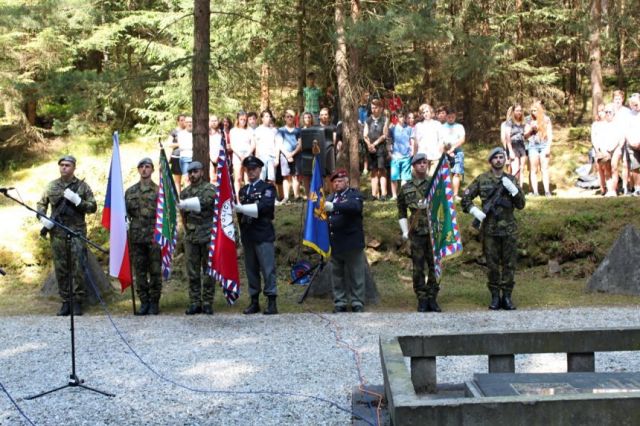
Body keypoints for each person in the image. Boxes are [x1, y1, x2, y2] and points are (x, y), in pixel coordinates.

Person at [461, 147, 525, 310]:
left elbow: (521, 204)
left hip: (509, 230)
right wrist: (474, 211)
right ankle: (495, 296)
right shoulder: (482, 179)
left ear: (505, 160)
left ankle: (507, 297)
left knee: (509, 265)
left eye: (501, 157)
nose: (498, 160)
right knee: (492, 265)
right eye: (495, 157)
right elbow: (465, 198)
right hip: (490, 231)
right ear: (490, 161)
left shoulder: (511, 179)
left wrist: (514, 190)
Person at [37, 155, 97, 316]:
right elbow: (41, 204)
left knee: (78, 267)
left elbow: (93, 207)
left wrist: (78, 201)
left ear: (74, 167)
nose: (64, 167)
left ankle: (77, 302)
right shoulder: (51, 186)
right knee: (61, 269)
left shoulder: (82, 187)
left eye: (67, 165)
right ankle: (66, 301)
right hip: (57, 234)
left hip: (76, 232)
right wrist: (43, 218)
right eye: (62, 165)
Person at [397, 153, 441, 313]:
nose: (422, 165)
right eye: (419, 163)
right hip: (416, 233)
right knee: (418, 267)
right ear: (414, 166)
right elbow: (401, 211)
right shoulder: (406, 188)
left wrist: (431, 205)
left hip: (434, 232)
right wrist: (404, 231)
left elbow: (444, 207)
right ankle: (422, 298)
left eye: (424, 162)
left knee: (435, 266)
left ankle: (432, 297)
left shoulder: (435, 184)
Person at [234, 156, 278, 315]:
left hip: (263, 233)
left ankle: (271, 301)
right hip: (248, 234)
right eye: (248, 169)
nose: (251, 172)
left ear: (260, 170)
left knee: (267, 269)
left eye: (254, 169)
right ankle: (254, 301)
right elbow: (240, 216)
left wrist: (242, 209)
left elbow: (265, 207)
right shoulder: (243, 190)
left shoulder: (268, 188)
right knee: (251, 270)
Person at [323, 169, 366, 313]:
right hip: (335, 242)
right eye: (335, 182)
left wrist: (335, 207)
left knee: (356, 274)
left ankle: (357, 302)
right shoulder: (330, 198)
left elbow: (355, 207)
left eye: (340, 181)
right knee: (337, 275)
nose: (337, 184)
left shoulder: (354, 194)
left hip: (351, 242)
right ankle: (340, 302)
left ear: (347, 181)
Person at [178, 161, 217, 315]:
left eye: (195, 171)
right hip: (191, 236)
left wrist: (185, 204)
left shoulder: (210, 189)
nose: (192, 175)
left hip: (207, 234)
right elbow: (183, 215)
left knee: (208, 271)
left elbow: (205, 203)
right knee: (192, 271)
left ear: (202, 172)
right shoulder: (184, 193)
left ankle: (207, 302)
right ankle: (195, 302)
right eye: (190, 172)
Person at [125, 158, 162, 315]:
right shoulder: (130, 192)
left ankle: (154, 302)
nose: (144, 169)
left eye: (147, 167)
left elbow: (164, 216)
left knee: (155, 271)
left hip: (154, 237)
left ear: (152, 170)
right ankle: (144, 302)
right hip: (136, 237)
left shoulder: (159, 191)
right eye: (141, 167)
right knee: (139, 271)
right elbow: (125, 213)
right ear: (138, 170)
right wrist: (125, 221)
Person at [524, 100, 553, 196]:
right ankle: (535, 192)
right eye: (532, 111)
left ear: (539, 110)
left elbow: (550, 134)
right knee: (533, 170)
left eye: (535, 110)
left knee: (544, 169)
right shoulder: (528, 120)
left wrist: (548, 147)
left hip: (544, 145)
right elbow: (525, 136)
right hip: (533, 146)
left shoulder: (546, 119)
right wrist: (531, 129)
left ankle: (547, 191)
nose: (533, 112)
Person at [363, 99, 390, 200]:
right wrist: (369, 145)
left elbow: (384, 135)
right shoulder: (368, 120)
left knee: (382, 170)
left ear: (380, 108)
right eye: (372, 108)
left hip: (381, 148)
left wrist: (374, 144)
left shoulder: (385, 119)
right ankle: (374, 194)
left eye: (375, 107)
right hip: (371, 149)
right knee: (373, 171)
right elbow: (365, 135)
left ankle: (384, 194)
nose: (373, 109)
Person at [277, 109, 302, 202]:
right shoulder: (280, 130)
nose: (289, 118)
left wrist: (292, 153)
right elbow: (279, 144)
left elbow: (300, 144)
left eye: (291, 116)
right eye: (287, 116)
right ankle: (286, 197)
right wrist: (287, 155)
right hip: (284, 156)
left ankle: (296, 196)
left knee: (296, 176)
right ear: (285, 118)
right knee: (286, 176)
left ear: (294, 118)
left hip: (296, 155)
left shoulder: (298, 130)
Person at [411, 104, 443, 175]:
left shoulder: (437, 124)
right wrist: (415, 155)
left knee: (432, 177)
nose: (425, 113)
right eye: (423, 112)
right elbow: (416, 142)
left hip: (435, 156)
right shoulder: (418, 126)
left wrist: (440, 153)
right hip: (422, 156)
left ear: (431, 112)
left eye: (427, 111)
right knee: (423, 177)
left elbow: (441, 140)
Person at [229, 111, 255, 200]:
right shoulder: (233, 131)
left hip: (248, 155)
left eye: (244, 119)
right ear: (237, 119)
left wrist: (247, 155)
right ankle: (238, 198)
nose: (243, 121)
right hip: (237, 156)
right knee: (238, 178)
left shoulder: (250, 130)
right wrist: (240, 155)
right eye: (241, 119)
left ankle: (248, 197)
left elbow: (253, 144)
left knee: (248, 177)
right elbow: (232, 145)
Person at [441, 108, 466, 200]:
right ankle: (445, 193)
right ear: (446, 117)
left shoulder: (459, 126)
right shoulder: (442, 127)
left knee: (456, 173)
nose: (451, 118)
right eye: (449, 117)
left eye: (452, 117)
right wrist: (447, 151)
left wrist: (453, 148)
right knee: (444, 173)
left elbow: (462, 139)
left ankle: (455, 194)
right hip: (444, 152)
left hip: (457, 152)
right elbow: (440, 140)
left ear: (455, 117)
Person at [389, 111, 412, 200]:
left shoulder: (409, 128)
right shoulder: (392, 129)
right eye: (400, 117)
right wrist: (389, 153)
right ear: (397, 118)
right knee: (394, 177)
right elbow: (389, 141)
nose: (402, 119)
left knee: (405, 177)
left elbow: (412, 141)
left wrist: (412, 152)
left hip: (406, 156)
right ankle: (394, 195)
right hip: (395, 156)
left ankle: (403, 194)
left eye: (403, 117)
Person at [503, 104, 527, 189]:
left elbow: (525, 135)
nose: (519, 112)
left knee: (522, 168)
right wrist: (510, 151)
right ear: (513, 111)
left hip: (522, 145)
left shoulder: (523, 122)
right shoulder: (510, 122)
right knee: (515, 168)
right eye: (517, 110)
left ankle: (520, 189)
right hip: (513, 145)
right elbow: (507, 137)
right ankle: (513, 189)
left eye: (520, 110)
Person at [253, 110, 279, 184]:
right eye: (266, 116)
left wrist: (277, 159)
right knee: (261, 179)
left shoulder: (274, 130)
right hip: (261, 157)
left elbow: (277, 145)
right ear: (262, 118)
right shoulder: (258, 130)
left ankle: (271, 192)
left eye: (270, 116)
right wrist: (256, 159)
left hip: (272, 157)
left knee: (272, 180)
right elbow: (257, 145)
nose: (268, 118)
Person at [167, 114, 186, 190]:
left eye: (184, 120)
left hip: (187, 157)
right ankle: (178, 196)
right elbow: (169, 144)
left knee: (187, 179)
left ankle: (187, 196)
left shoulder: (189, 130)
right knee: (177, 181)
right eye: (181, 120)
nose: (183, 122)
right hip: (176, 157)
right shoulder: (174, 131)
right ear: (178, 121)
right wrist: (180, 144)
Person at [208, 115, 222, 182]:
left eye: (215, 121)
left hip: (220, 158)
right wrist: (210, 158)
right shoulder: (206, 133)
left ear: (218, 121)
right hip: (209, 158)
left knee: (219, 179)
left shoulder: (221, 133)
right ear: (209, 122)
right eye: (212, 121)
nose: (214, 122)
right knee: (212, 179)